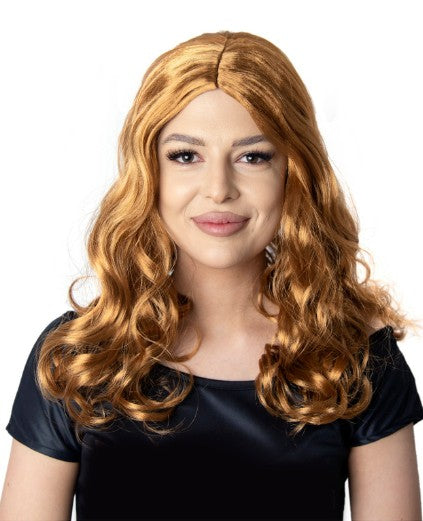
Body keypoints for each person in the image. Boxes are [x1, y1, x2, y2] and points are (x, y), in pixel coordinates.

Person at [1, 30, 422, 521]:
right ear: (149, 173)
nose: (219, 188)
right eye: (186, 156)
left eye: (253, 156)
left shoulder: (357, 356)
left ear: (294, 172)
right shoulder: (77, 358)